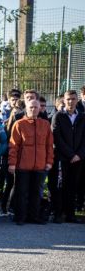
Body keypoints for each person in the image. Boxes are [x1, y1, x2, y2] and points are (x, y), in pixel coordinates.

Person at [8, 98, 53, 225]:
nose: (33, 109)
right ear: (26, 109)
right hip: (23, 165)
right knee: (21, 192)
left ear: (40, 109)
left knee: (36, 193)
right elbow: (13, 145)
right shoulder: (19, 124)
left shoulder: (45, 124)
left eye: (36, 107)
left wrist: (49, 161)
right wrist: (12, 163)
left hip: (40, 165)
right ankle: (20, 217)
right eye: (31, 107)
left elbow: (49, 145)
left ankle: (34, 216)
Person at [50, 90, 85, 223]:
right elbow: (57, 138)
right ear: (64, 100)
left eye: (73, 99)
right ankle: (58, 214)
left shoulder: (82, 116)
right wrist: (70, 154)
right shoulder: (58, 116)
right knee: (59, 186)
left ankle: (71, 214)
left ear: (77, 100)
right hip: (62, 158)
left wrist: (79, 155)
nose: (71, 101)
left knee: (73, 186)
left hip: (78, 159)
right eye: (68, 99)